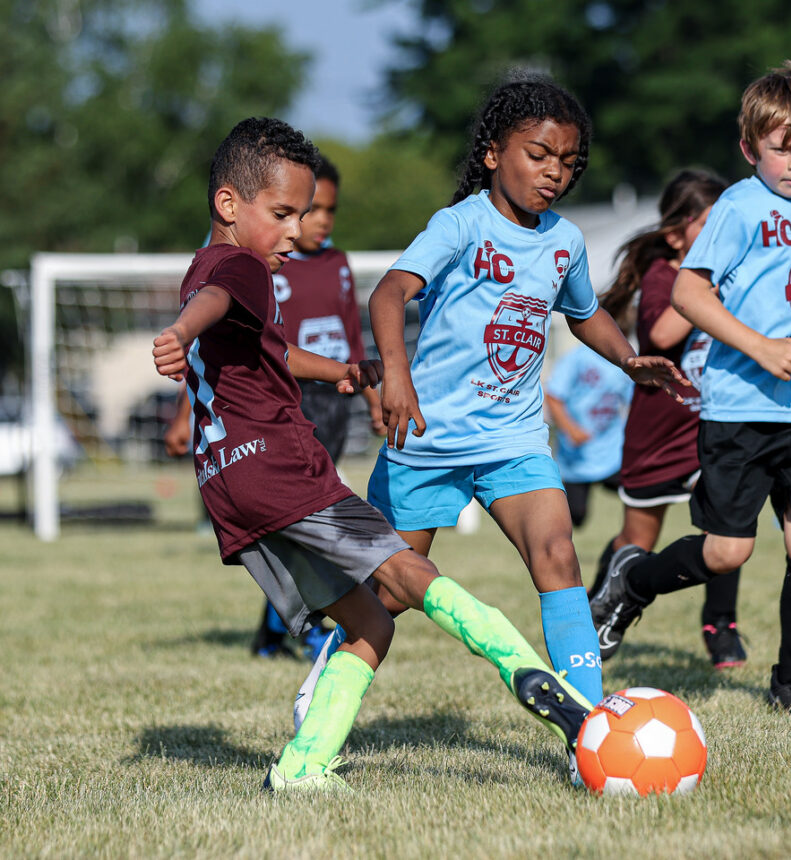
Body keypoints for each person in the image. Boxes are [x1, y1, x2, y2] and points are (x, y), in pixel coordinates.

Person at [152, 116, 595, 793]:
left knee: (369, 623)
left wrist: (340, 372)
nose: (298, 231)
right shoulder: (238, 267)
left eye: (303, 214)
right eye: (283, 214)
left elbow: (268, 352)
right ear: (229, 205)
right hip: (280, 470)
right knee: (406, 574)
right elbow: (214, 303)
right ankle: (527, 674)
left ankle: (301, 768)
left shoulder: (209, 263)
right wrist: (182, 331)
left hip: (229, 487)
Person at [293, 76, 688, 749]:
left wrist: (628, 360)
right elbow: (388, 294)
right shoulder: (461, 224)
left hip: (513, 440)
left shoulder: (563, 241)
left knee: (557, 556)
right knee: (388, 597)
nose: (554, 174)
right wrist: (396, 375)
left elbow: (585, 313)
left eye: (568, 162)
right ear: (492, 154)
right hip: (427, 439)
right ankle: (325, 685)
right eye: (539, 155)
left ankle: (588, 735)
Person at [589, 60, 791, 714]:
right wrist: (760, 349)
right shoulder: (738, 207)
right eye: (781, 149)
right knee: (728, 549)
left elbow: (790, 299)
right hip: (738, 411)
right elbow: (690, 292)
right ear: (750, 148)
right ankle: (636, 581)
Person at [594, 168, 751, 669]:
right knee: (636, 542)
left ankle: (720, 626)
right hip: (657, 436)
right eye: (712, 224)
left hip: (711, 429)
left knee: (728, 524)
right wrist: (706, 293)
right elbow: (661, 334)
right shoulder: (667, 277)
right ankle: (601, 600)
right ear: (675, 233)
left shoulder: (730, 276)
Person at [248, 155, 385, 661]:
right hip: (288, 399)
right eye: (309, 210)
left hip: (335, 399)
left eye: (329, 209)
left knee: (308, 513)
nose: (320, 220)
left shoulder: (338, 264)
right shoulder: (267, 267)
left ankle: (273, 631)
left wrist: (372, 399)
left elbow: (352, 335)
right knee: (304, 514)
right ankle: (301, 625)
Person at [543, 341, 633, 528]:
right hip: (577, 457)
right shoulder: (575, 359)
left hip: (612, 452)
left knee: (640, 490)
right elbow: (553, 396)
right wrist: (571, 428)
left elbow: (634, 399)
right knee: (576, 516)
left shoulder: (625, 359)